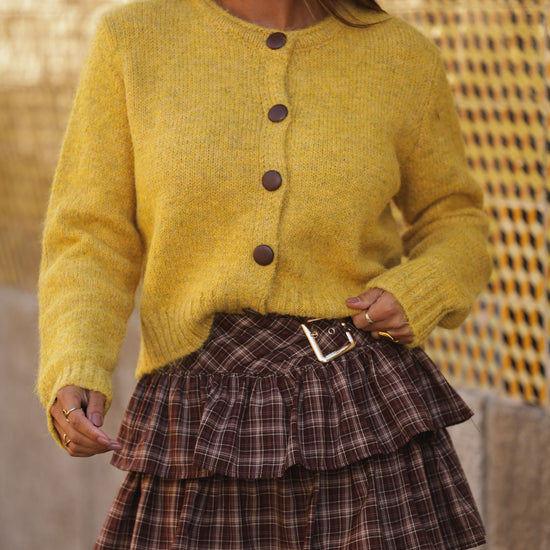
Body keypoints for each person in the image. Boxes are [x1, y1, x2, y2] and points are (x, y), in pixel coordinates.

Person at [37, 0, 492, 548]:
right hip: (197, 410)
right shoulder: (132, 40)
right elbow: (91, 234)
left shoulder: (401, 55)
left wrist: (420, 289)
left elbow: (453, 218)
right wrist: (76, 360)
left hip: (361, 407)